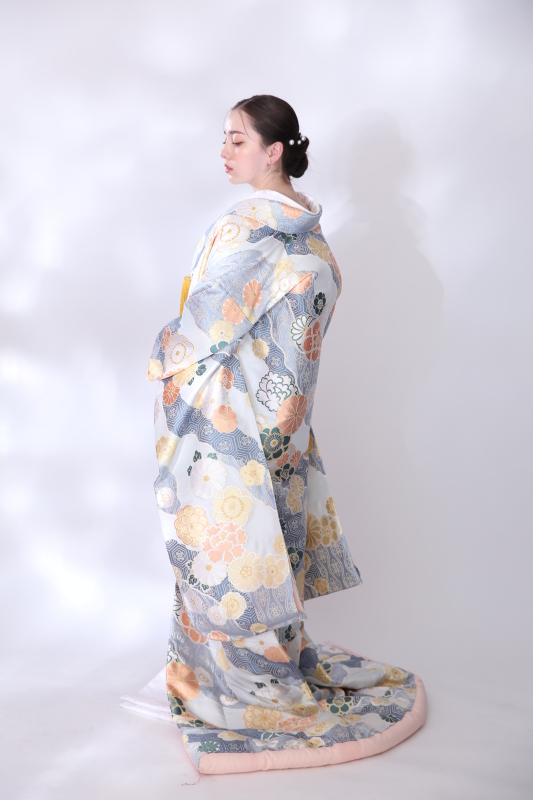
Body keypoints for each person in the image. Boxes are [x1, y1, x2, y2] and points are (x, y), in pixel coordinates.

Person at [145, 95, 426, 774]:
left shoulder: (247, 227)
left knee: (232, 550)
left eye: (237, 140)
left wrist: (162, 362)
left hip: (232, 417)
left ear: (274, 151)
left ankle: (241, 683)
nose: (224, 152)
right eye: (224, 139)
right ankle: (266, 665)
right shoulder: (311, 230)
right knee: (269, 544)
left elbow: (204, 322)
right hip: (285, 415)